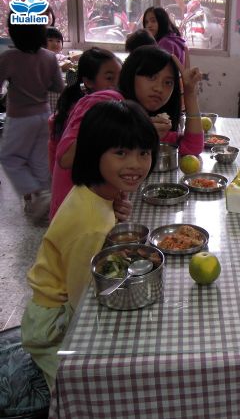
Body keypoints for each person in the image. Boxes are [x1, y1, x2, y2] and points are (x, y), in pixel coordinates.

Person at [21, 100, 159, 389]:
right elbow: (81, 299)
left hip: (61, 302)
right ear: (94, 152)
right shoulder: (89, 225)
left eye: (143, 153)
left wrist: (114, 211)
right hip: (52, 324)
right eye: (121, 153)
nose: (135, 164)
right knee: (84, 387)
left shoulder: (97, 192)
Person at [50, 45, 203, 218]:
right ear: (130, 75)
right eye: (151, 77)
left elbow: (191, 147)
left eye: (168, 82)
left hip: (103, 211)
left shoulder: (141, 114)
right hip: (72, 214)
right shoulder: (105, 101)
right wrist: (137, 133)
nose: (159, 88)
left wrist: (189, 93)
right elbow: (65, 157)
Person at [0, 16, 64, 223]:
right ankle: (45, 205)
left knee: (10, 159)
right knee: (39, 162)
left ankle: (37, 194)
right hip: (44, 114)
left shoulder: (9, 57)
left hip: (19, 117)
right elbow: (58, 87)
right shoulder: (49, 57)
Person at [49, 47, 122, 172]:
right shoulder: (88, 109)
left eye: (120, 78)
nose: (117, 84)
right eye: (109, 78)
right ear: (88, 82)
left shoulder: (89, 103)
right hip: (74, 180)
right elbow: (65, 158)